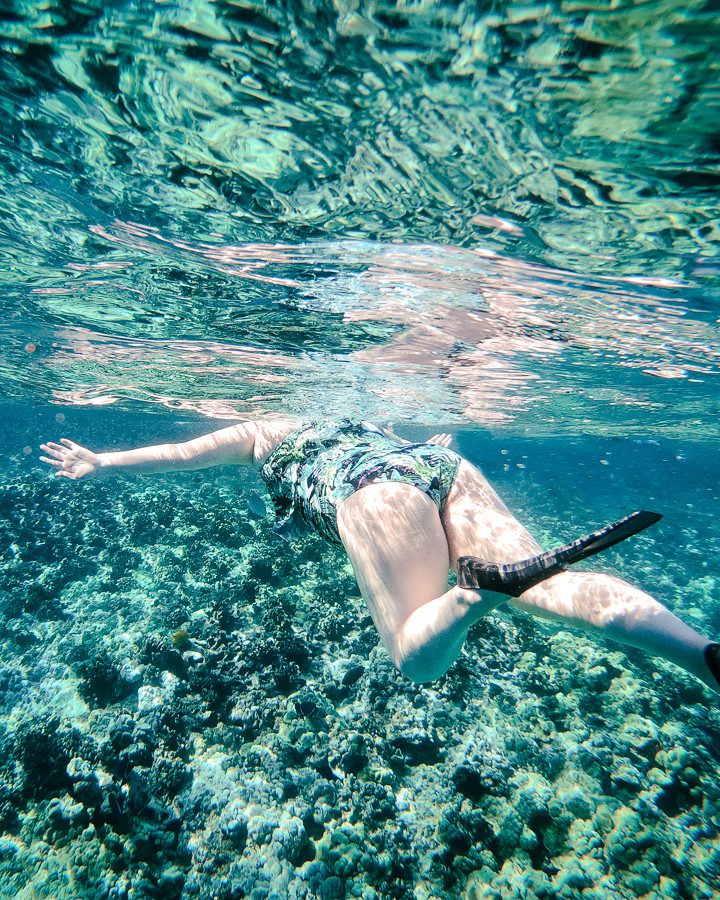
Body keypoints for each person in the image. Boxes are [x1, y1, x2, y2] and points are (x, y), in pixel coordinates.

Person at [40, 417, 720, 692]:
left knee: (412, 656)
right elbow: (416, 447)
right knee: (550, 585)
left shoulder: (263, 429)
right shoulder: (362, 411)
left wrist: (104, 461)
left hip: (369, 493)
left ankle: (473, 592)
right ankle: (701, 654)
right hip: (435, 463)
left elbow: (182, 456)